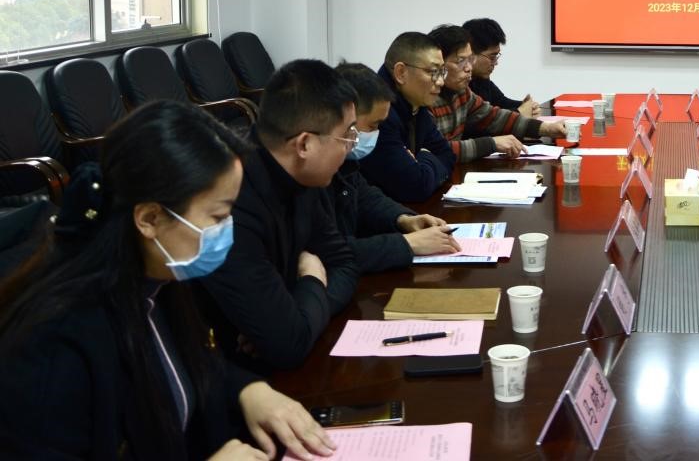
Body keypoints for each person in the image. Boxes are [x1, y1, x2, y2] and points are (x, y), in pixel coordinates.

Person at [0, 101, 336, 461]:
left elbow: (194, 365)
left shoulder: (159, 277)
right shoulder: (53, 347)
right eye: (218, 216)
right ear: (149, 219)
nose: (227, 230)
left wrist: (250, 390)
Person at [198, 60, 360, 373]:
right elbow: (288, 346)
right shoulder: (230, 206)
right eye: (346, 136)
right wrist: (312, 278)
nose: (351, 147)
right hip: (225, 375)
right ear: (304, 144)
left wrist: (298, 314)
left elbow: (345, 264)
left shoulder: (303, 175)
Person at [329, 63, 460, 271]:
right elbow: (329, 253)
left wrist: (403, 219)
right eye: (373, 126)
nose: (376, 133)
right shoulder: (313, 171)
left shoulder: (345, 159)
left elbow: (364, 196)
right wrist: (407, 243)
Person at [428, 24, 568, 162]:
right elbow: (438, 151)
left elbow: (494, 117)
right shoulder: (426, 100)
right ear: (439, 64)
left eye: (470, 60)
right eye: (460, 61)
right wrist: (492, 144)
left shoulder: (462, 92)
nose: (468, 68)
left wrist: (548, 129)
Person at [358, 31, 456, 203]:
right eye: (433, 71)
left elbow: (447, 155)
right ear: (401, 73)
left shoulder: (416, 103)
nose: (441, 81)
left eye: (442, 72)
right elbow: (415, 186)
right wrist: (426, 156)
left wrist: (420, 162)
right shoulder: (380, 114)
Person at [463, 17, 540, 118]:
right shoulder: (460, 84)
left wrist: (526, 106)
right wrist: (519, 111)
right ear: (470, 53)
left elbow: (501, 102)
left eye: (497, 56)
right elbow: (480, 120)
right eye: (492, 57)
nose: (496, 63)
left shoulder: (480, 79)